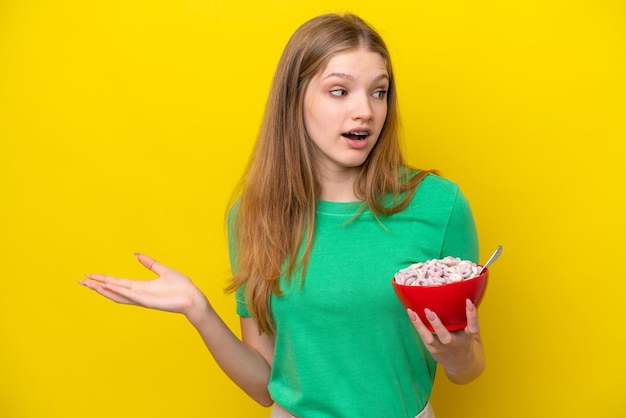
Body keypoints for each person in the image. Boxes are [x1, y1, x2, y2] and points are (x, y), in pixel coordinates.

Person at [79, 13, 484, 418]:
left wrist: (460, 352)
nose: (365, 110)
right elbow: (264, 384)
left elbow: (467, 369)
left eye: (379, 92)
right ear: (295, 98)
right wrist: (197, 310)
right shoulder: (255, 216)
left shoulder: (437, 206)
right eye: (340, 91)